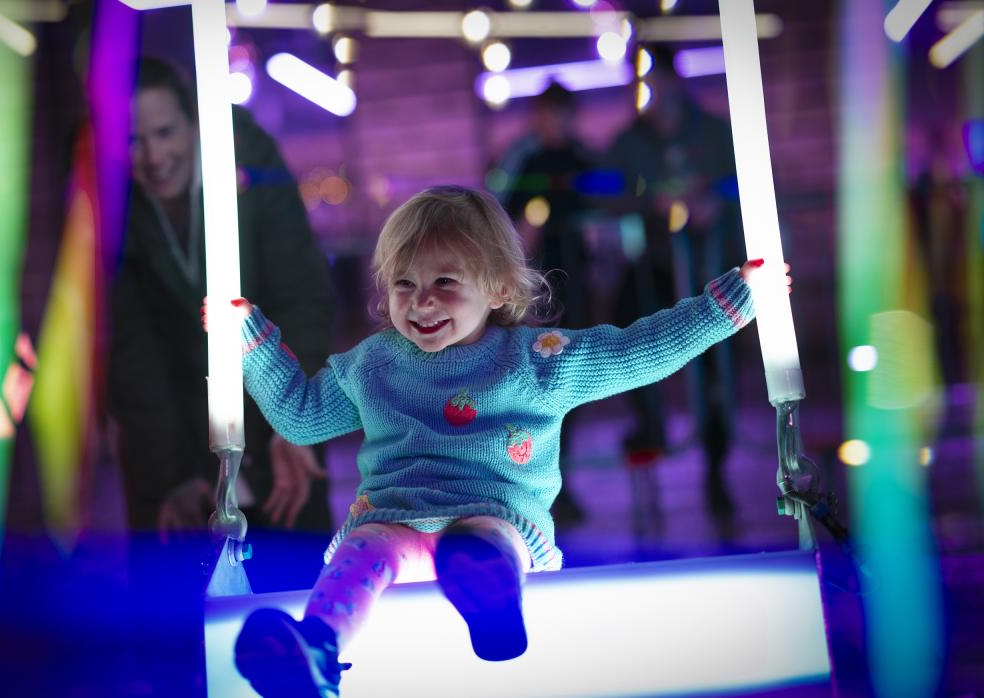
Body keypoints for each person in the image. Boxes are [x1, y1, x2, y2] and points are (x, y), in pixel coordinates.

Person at [206, 185, 788, 696]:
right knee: (366, 550)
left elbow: (638, 351)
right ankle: (316, 648)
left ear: (499, 289)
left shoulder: (539, 360)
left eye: (445, 282)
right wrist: (251, 342)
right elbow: (304, 416)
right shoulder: (375, 363)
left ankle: (490, 605)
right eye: (404, 284)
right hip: (396, 521)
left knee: (480, 542)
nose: (422, 301)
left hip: (495, 517)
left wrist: (730, 304)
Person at [108, 56, 337, 542]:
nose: (152, 156)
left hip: (277, 411)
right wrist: (168, 472)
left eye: (165, 132)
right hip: (170, 435)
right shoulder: (107, 197)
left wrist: (295, 424)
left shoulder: (250, 158)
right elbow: (128, 350)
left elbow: (302, 296)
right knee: (179, 599)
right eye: (133, 139)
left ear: (195, 122)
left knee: (295, 574)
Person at [605, 44, 747, 524]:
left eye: (659, 79)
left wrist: (714, 201)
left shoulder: (712, 132)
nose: (653, 90)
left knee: (715, 368)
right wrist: (649, 207)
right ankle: (649, 427)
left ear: (674, 79)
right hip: (655, 269)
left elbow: (741, 180)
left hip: (711, 265)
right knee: (623, 332)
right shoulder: (629, 141)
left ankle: (716, 470)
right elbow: (609, 193)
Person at [495, 81, 602, 528]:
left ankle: (562, 484)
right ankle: (537, 488)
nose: (553, 123)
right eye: (546, 114)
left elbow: (601, 203)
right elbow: (504, 212)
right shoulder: (524, 161)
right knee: (534, 384)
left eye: (560, 114)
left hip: (576, 285)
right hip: (534, 291)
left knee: (568, 387)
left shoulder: (583, 159)